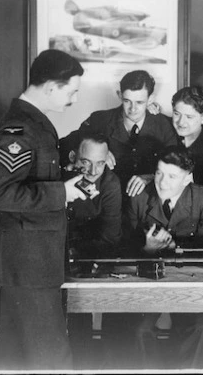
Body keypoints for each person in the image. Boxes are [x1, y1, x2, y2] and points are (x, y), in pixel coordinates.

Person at [0, 49, 86, 370]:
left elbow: (31, 179)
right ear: (52, 87)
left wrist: (69, 183)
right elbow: (1, 193)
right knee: (51, 359)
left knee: (17, 359)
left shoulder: (35, 123)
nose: (73, 99)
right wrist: (61, 192)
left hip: (30, 261)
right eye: (71, 91)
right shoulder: (20, 128)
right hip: (28, 264)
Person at [106, 147, 203, 369]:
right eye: (159, 173)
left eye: (172, 176)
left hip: (189, 279)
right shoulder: (139, 197)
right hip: (149, 279)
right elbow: (124, 248)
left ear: (187, 179)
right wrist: (148, 249)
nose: (162, 182)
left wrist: (175, 247)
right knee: (139, 329)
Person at [60, 69, 178, 199]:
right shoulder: (100, 120)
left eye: (139, 102)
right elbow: (65, 145)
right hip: (103, 199)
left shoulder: (164, 125)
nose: (133, 109)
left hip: (147, 201)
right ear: (119, 95)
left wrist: (151, 177)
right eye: (127, 101)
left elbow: (176, 166)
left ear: (150, 99)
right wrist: (97, 151)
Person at [62, 132, 123, 369]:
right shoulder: (61, 177)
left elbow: (110, 235)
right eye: (86, 161)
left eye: (100, 162)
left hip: (89, 256)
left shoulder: (110, 183)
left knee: (81, 311)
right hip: (56, 251)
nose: (94, 170)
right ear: (73, 157)